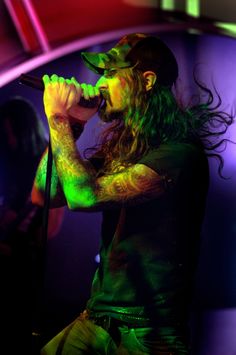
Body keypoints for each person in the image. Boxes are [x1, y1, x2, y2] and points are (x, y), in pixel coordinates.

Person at [31, 33, 233, 354]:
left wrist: (56, 118)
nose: (99, 83)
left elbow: (84, 196)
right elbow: (46, 193)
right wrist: (72, 125)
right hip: (97, 319)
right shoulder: (121, 149)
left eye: (111, 74)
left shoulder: (178, 154)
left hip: (149, 333)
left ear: (147, 80)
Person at [0, 97, 64, 354]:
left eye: (9, 132)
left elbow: (48, 228)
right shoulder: (12, 162)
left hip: (27, 261)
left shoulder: (47, 162)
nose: (8, 140)